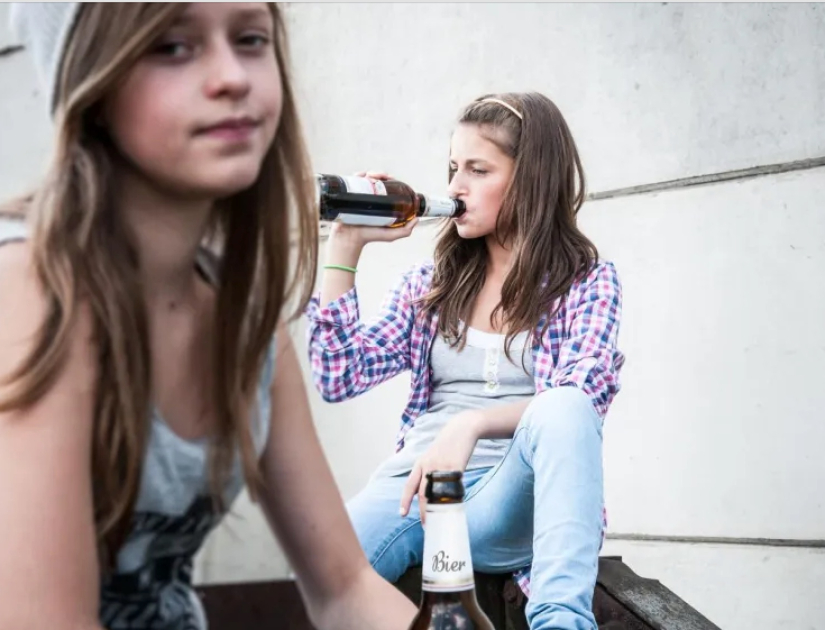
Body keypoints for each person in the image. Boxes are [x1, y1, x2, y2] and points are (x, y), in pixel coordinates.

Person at [0, 4, 417, 630]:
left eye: (250, 39)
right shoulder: (33, 294)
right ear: (90, 81)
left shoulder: (241, 315)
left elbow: (346, 587)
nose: (232, 77)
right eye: (172, 47)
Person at [306, 92, 625, 630]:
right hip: (417, 493)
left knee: (566, 406)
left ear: (531, 179)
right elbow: (339, 375)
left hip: (509, 502)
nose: (456, 186)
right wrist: (345, 245)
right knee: (314, 577)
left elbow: (582, 397)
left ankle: (562, 623)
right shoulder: (429, 285)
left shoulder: (587, 282)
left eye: (478, 170)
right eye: (453, 168)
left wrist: (471, 424)